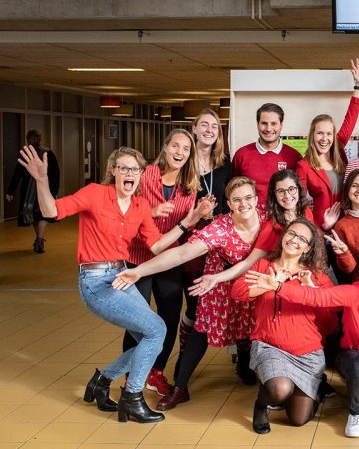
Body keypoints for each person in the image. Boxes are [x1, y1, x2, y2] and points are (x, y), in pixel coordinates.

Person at [17, 145, 212, 423]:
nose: (129, 173)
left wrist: (187, 222)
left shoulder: (140, 205)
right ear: (114, 171)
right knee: (157, 329)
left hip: (121, 276)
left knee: (150, 338)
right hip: (95, 281)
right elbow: (52, 210)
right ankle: (132, 398)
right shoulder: (95, 193)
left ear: (142, 174)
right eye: (123, 168)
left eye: (135, 169)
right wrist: (40, 180)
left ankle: (102, 381)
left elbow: (156, 245)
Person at [111, 177, 264, 410]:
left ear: (256, 199)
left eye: (248, 197)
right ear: (229, 204)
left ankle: (244, 365)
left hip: (252, 281)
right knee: (201, 329)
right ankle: (180, 386)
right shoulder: (221, 228)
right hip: (216, 283)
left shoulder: (267, 219)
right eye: (237, 200)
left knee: (249, 323)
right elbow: (181, 254)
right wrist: (139, 271)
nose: (244, 204)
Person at [248, 253, 359, 437]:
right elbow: (318, 297)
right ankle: (355, 412)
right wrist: (279, 287)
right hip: (353, 356)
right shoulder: (355, 292)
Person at [230, 218, 337, 434]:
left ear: (308, 247)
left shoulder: (316, 276)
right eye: (291, 233)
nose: (294, 240)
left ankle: (313, 387)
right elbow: (237, 291)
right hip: (270, 346)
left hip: (307, 354)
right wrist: (268, 285)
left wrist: (312, 291)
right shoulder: (264, 266)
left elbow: (330, 321)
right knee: (280, 390)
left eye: (301, 238)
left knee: (299, 419)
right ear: (283, 236)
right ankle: (262, 405)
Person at [124, 128, 204, 397]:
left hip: (169, 259)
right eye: (175, 146)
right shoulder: (144, 175)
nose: (180, 153)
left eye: (185, 149)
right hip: (138, 257)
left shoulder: (190, 184)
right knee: (137, 319)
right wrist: (150, 212)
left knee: (168, 318)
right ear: (165, 147)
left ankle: (155, 372)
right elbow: (122, 209)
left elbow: (188, 225)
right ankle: (130, 374)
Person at [179, 109, 232, 352]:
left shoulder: (224, 165)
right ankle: (185, 348)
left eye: (214, 126)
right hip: (185, 237)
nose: (210, 130)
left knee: (209, 296)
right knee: (193, 300)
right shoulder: (182, 163)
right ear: (194, 129)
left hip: (216, 238)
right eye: (204, 125)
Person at [296, 57, 359, 229]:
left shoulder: (339, 151)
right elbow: (299, 204)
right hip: (322, 227)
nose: (324, 138)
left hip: (349, 223)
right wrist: (321, 226)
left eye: (328, 134)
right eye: (320, 133)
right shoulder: (304, 166)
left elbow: (351, 118)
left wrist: (358, 86)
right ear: (312, 136)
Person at [231, 102, 302, 207]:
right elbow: (233, 191)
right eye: (264, 123)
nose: (268, 129)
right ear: (257, 124)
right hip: (250, 220)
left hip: (283, 221)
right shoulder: (241, 155)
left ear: (281, 125)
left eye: (274, 123)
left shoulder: (294, 156)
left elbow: (298, 194)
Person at [5, 129, 60, 253]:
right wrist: (55, 189)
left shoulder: (25, 155)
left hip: (28, 192)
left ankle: (39, 238)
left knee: (34, 214)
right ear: (40, 140)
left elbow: (17, 174)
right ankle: (40, 238)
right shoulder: (48, 153)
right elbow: (56, 173)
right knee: (44, 213)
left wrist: (10, 191)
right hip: (46, 188)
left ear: (27, 140)